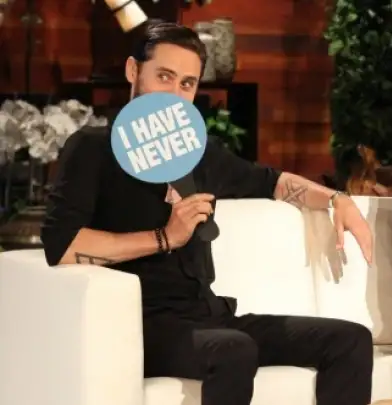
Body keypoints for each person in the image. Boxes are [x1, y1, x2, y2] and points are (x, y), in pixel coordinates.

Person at [41, 20, 374, 405]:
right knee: (233, 349)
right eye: (164, 77)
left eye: (187, 84)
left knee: (350, 340)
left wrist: (336, 199)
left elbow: (273, 182)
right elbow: (62, 246)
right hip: (141, 325)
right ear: (133, 71)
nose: (175, 95)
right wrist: (165, 237)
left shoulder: (198, 153)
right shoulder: (91, 148)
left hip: (208, 316)